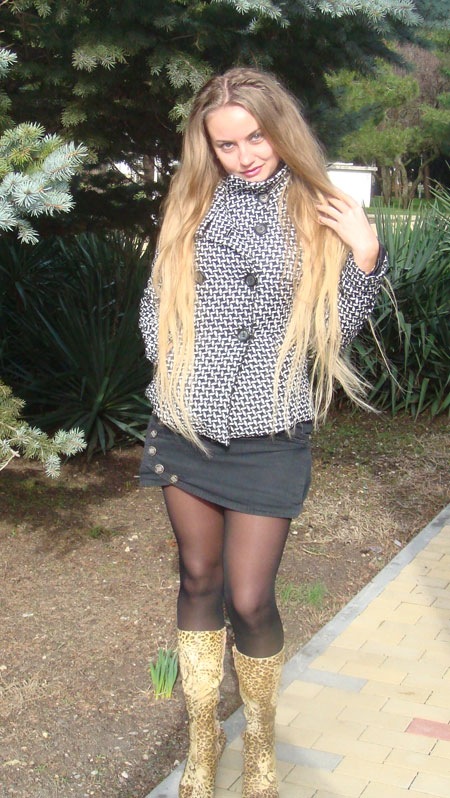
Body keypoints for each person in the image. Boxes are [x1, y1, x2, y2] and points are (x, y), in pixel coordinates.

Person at [139, 67, 387, 798]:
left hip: (269, 430)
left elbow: (336, 332)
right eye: (227, 145)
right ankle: (202, 740)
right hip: (186, 426)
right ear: (207, 147)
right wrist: (176, 370)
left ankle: (260, 740)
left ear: (280, 131)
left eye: (256, 138)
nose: (244, 156)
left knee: (250, 598)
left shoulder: (317, 208)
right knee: (198, 579)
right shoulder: (191, 204)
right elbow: (156, 305)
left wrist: (365, 258)